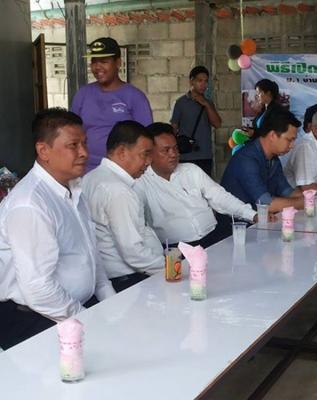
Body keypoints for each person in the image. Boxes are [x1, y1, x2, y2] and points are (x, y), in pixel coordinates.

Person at [0, 108, 115, 350]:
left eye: (84, 143)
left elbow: (91, 255)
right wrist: (87, 320)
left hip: (75, 311)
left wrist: (111, 305)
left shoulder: (74, 190)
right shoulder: (30, 203)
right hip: (36, 319)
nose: (84, 152)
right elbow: (38, 288)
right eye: (73, 145)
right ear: (43, 150)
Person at [135, 123, 256, 248]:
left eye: (175, 148)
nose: (174, 154)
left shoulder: (191, 170)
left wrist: (252, 215)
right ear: (149, 154)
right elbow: (140, 228)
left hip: (213, 237)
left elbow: (219, 196)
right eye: (166, 150)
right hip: (176, 249)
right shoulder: (140, 183)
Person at [82, 121, 164, 293]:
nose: (149, 161)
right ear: (122, 152)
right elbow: (133, 252)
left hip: (110, 278)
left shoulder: (91, 177)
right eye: (145, 154)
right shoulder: (119, 191)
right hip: (129, 280)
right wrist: (173, 267)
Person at [221, 110, 317, 213]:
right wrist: (309, 202)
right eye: (289, 140)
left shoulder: (273, 159)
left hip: (260, 222)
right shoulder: (247, 160)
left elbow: (288, 192)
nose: (292, 146)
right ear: (272, 135)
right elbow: (267, 204)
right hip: (236, 226)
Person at [72, 37, 153, 171]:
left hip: (121, 171)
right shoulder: (83, 94)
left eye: (104, 61)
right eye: (94, 62)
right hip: (86, 169)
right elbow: (72, 132)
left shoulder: (135, 97)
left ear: (118, 63)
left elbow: (146, 138)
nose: (97, 67)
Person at [171, 66, 221, 176]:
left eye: (206, 81)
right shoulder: (181, 102)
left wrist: (206, 104)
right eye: (200, 81)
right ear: (191, 81)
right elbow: (174, 127)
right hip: (186, 155)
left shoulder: (208, 103)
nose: (203, 84)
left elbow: (217, 124)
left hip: (205, 155)